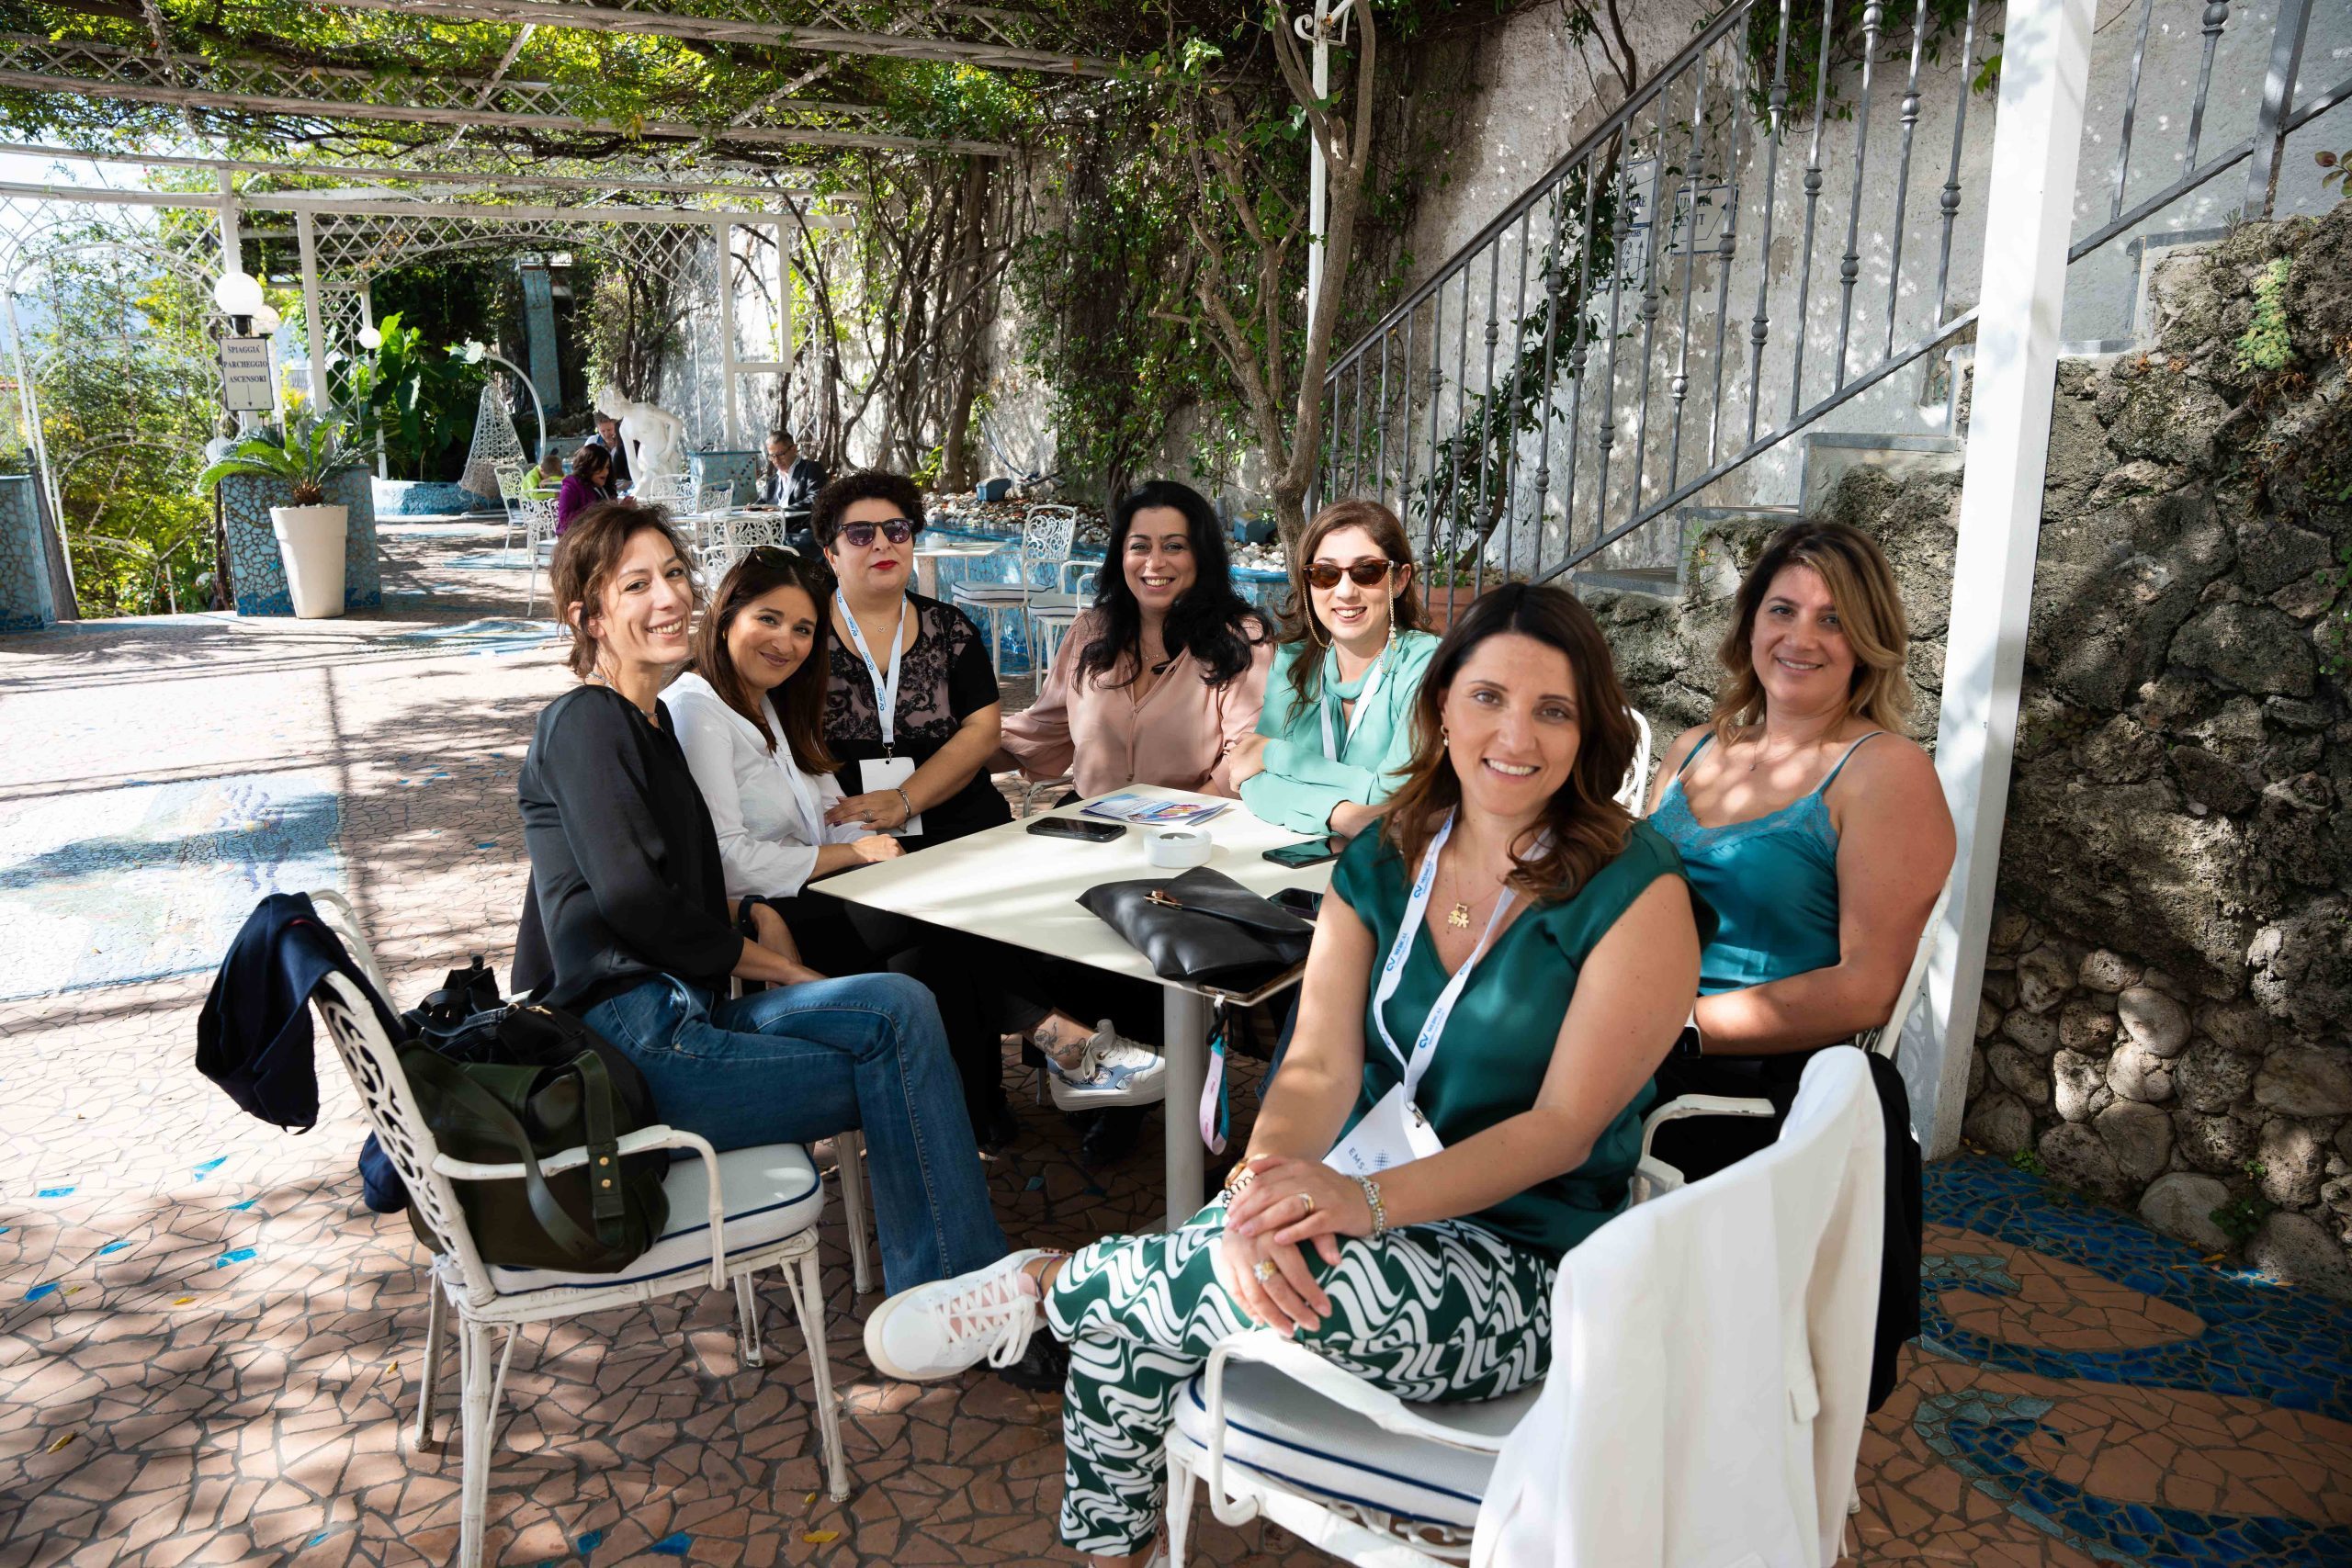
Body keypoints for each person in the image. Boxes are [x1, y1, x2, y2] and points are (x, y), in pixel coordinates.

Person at [859, 583, 1705, 1566]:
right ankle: (1113, 1549)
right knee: (1194, 1287)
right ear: (1441, 705)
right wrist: (1264, 1185)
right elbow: (1317, 1061)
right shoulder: (1388, 855)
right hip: (1349, 1197)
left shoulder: (1633, 885)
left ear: (1587, 727)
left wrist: (1360, 1201)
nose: (1516, 735)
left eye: (1552, 709)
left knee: (1217, 1285)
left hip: (1526, 1257)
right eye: (1488, 697)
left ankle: (1050, 1284)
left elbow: (1561, 1128)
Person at [512, 500, 1009, 1301]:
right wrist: (784, 969)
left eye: (675, 573)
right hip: (634, 1045)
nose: (669, 596)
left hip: (689, 1012)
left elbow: (685, 885)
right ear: (588, 617)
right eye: (636, 584)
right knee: (904, 1056)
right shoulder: (586, 722)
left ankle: (942, 1287)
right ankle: (959, 1295)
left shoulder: (649, 724)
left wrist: (750, 917)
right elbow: (638, 903)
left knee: (904, 1004)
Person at [1644, 517, 1952, 1408]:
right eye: (1782, 610)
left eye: (1833, 619)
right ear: (1750, 623)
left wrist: (1683, 1023)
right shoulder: (1695, 749)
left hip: (1753, 1070)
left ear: (1868, 642)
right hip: (1648, 1025)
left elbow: (1866, 988)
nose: (1802, 637)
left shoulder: (1882, 772)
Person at [811, 471, 1166, 1134]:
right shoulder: (804, 634)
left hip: (956, 816)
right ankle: (1045, 1053)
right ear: (830, 551)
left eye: (897, 529)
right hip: (852, 831)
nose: (882, 544)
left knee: (965, 918)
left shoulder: (949, 628)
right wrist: (866, 810)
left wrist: (906, 797)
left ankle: (977, 1106)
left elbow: (981, 730)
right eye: (860, 534)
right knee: (930, 930)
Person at [994, 479, 1274, 800]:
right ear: (1121, 555)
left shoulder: (1242, 639)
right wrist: (959, 750)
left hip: (1192, 824)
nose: (1154, 563)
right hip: (1089, 820)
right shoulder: (1090, 630)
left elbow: (1247, 757)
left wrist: (1169, 822)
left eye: (1174, 546)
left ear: (1202, 555)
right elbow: (1042, 731)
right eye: (1140, 546)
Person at [1227, 497, 1441, 839]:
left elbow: (1397, 801)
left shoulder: (1426, 665)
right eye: (1325, 574)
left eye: (1367, 571)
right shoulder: (1294, 659)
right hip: (1300, 859)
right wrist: (1342, 816)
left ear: (1399, 581)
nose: (1345, 592)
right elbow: (1249, 780)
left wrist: (1273, 754)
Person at [758, 428, 826, 529]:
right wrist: (752, 509)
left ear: (794, 449)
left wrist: (781, 511)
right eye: (772, 456)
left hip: (800, 527)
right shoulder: (773, 480)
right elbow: (761, 501)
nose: (776, 461)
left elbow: (815, 499)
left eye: (780, 455)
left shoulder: (811, 469)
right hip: (774, 528)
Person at [556, 442, 618, 533]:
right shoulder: (571, 486)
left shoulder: (605, 487)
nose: (605, 472)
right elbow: (565, 521)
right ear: (586, 466)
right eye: (600, 467)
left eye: (607, 467)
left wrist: (622, 509)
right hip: (578, 538)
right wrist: (597, 510)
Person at [589, 411, 632, 489]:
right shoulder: (592, 442)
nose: (606, 434)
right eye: (602, 431)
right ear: (597, 429)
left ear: (616, 427)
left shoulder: (626, 441)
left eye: (609, 430)